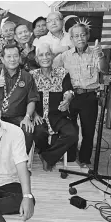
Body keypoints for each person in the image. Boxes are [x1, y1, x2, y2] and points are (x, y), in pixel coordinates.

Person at [53, 23, 109, 167]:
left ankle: (84, 159)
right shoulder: (64, 56)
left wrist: (101, 55)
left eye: (83, 35)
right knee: (71, 129)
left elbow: (104, 70)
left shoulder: (95, 53)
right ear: (71, 39)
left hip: (89, 96)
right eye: (76, 36)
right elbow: (53, 70)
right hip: (71, 96)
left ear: (88, 36)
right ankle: (71, 157)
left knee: (88, 130)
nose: (80, 38)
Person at [0, 44, 47, 154]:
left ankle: (21, 163)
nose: (12, 59)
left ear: (19, 58)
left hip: (18, 117)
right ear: (2, 59)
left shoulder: (27, 76)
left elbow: (32, 100)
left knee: (28, 130)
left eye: (15, 56)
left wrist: (27, 117)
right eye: (9, 56)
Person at [30, 43, 78, 171]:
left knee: (72, 134)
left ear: (52, 56)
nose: (45, 57)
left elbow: (69, 91)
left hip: (58, 115)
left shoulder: (62, 73)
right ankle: (45, 152)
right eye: (41, 55)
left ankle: (47, 156)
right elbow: (27, 98)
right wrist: (34, 114)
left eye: (48, 54)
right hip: (38, 116)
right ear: (36, 59)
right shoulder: (31, 75)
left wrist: (67, 100)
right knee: (38, 133)